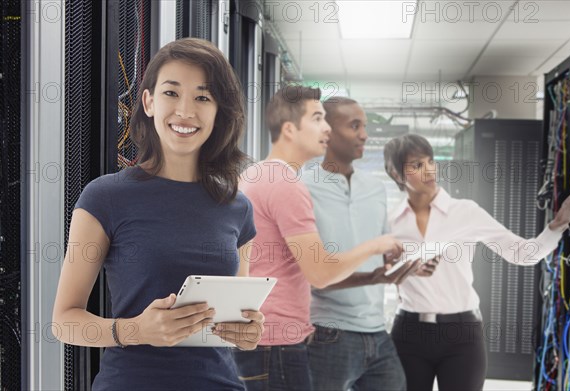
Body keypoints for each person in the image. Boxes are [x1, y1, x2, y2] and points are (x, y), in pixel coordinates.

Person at [52, 38, 265, 390]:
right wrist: (136, 330)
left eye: (202, 97)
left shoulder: (237, 207)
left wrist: (247, 331)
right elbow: (64, 321)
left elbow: (234, 314)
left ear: (218, 111)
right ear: (149, 101)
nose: (185, 111)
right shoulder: (105, 196)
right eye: (171, 93)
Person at [232, 86, 404, 391]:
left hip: (258, 340)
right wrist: (377, 245)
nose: (326, 128)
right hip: (276, 344)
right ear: (289, 129)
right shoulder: (287, 183)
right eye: (317, 119)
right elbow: (321, 273)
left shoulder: (256, 175)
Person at [383, 134, 570, 391]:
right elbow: (373, 272)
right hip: (408, 333)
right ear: (396, 174)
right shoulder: (390, 221)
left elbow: (521, 253)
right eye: (417, 165)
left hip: (461, 334)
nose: (429, 170)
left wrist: (556, 227)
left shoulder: (465, 212)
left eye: (430, 161)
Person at [302, 97, 437, 391]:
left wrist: (408, 266)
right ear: (325, 130)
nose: (364, 134)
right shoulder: (301, 187)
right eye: (354, 126)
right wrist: (374, 276)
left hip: (376, 331)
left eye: (364, 126)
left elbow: (382, 252)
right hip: (327, 330)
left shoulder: (374, 188)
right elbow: (308, 276)